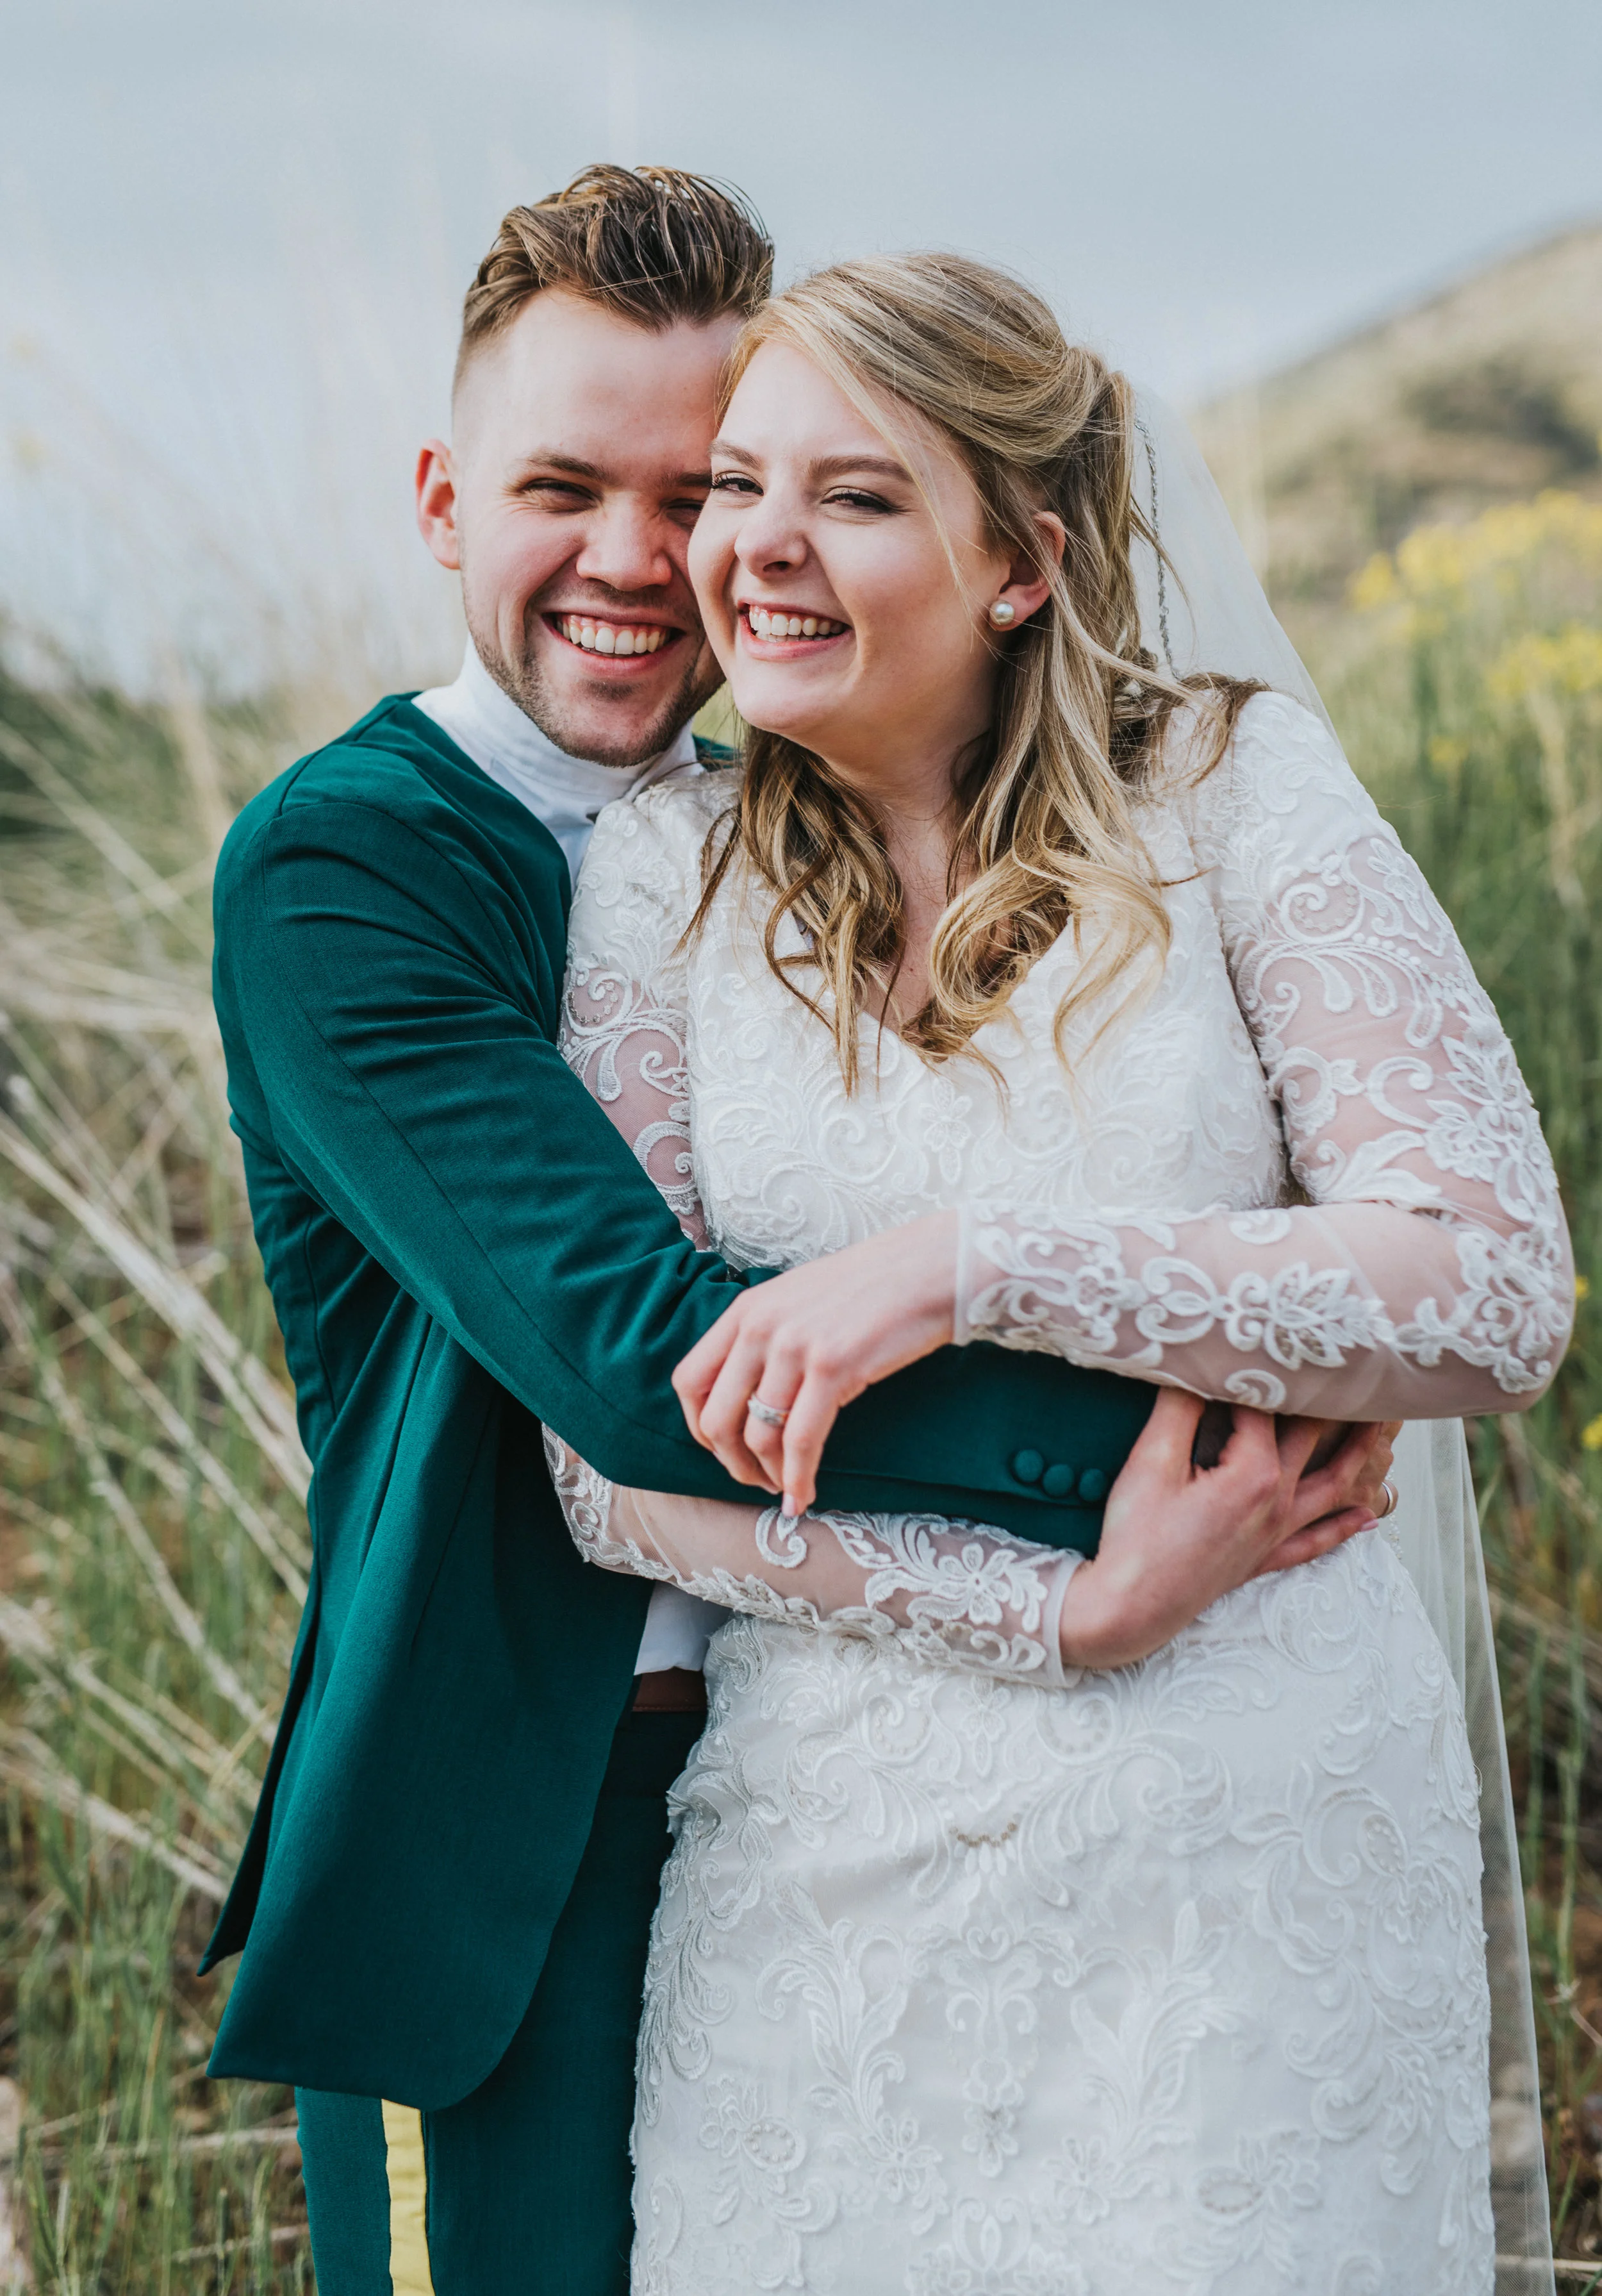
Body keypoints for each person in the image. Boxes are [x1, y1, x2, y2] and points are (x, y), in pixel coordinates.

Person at [201, 171, 1388, 2296]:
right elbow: (628, 1354)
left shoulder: (802, 821)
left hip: (834, 1789)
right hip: (522, 1831)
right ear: (443, 503)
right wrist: (1197, 1425)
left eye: (699, 489)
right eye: (562, 488)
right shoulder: (348, 864)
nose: (636, 557)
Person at [548, 251, 1573, 2293]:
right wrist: (1059, 1618)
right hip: (822, 1875)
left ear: (1023, 562)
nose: (753, 547)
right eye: (739, 481)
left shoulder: (1227, 787)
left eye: (854, 495)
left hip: (1244, 1859)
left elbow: (1485, 1286)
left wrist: (966, 1266)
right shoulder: (663, 871)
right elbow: (610, 1468)